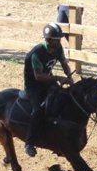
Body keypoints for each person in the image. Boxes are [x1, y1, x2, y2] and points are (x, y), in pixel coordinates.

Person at [23, 23, 75, 158]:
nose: (59, 41)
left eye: (59, 39)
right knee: (38, 110)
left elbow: (64, 63)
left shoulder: (58, 48)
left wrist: (69, 78)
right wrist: (58, 78)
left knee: (62, 99)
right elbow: (38, 76)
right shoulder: (35, 54)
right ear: (48, 40)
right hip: (33, 86)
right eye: (56, 39)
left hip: (48, 81)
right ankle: (29, 143)